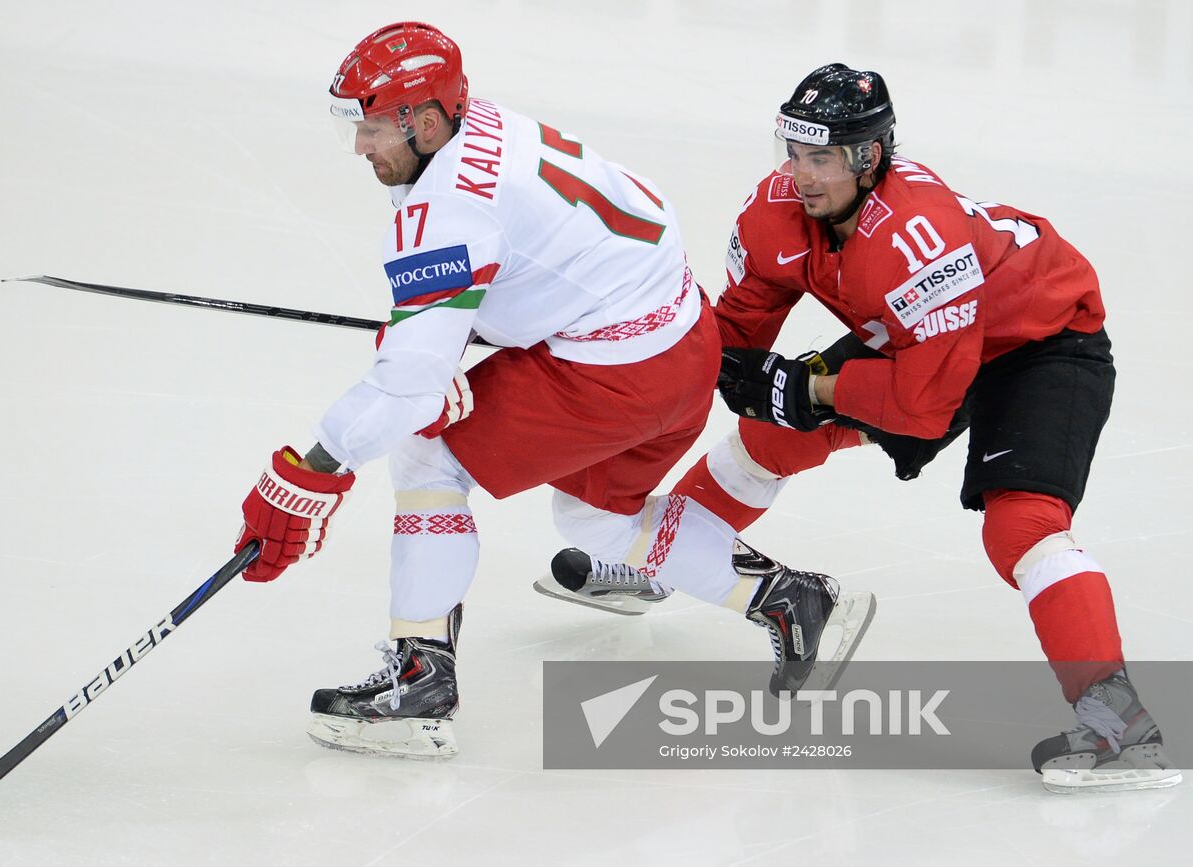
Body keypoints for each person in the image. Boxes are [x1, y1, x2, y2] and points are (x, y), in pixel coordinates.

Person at [548, 63, 1181, 793]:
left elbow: (924, 405)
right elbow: (735, 334)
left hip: (1039, 342)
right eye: (793, 151)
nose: (800, 174)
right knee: (771, 438)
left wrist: (808, 385)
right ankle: (662, 558)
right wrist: (636, 344)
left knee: (1022, 526)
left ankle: (1120, 721)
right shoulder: (775, 209)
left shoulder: (918, 235)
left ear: (868, 157)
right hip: (920, 336)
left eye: (820, 158)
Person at [233, 22, 860, 757]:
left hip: (612, 372)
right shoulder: (488, 124)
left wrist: (311, 470)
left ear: (426, 121)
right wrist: (458, 326)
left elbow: (408, 382)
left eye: (371, 129)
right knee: (594, 516)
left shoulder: (445, 211)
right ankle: (791, 598)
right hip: (685, 342)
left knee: (427, 454)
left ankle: (419, 681)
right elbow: (615, 223)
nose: (363, 148)